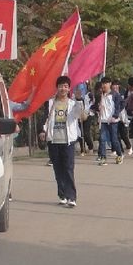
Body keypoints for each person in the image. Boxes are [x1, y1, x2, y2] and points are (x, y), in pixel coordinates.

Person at [44, 75, 86, 207]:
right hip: (53, 140)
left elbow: (80, 115)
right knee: (58, 169)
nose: (63, 88)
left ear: (69, 89)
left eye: (66, 86)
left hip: (68, 141)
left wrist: (79, 100)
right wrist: (42, 130)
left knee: (68, 169)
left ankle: (71, 196)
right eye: (61, 86)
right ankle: (62, 194)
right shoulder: (50, 103)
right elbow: (45, 119)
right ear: (57, 88)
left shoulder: (73, 103)